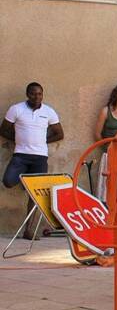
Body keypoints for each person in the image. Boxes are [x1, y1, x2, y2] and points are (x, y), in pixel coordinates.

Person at [1, 83, 64, 239]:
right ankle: (25, 182)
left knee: (34, 194)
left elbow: (59, 134)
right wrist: (16, 139)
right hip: (20, 155)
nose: (37, 97)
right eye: (34, 94)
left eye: (40, 94)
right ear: (27, 94)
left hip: (40, 157)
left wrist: (43, 140)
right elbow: (3, 130)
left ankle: (28, 230)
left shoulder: (49, 112)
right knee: (8, 181)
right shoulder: (16, 109)